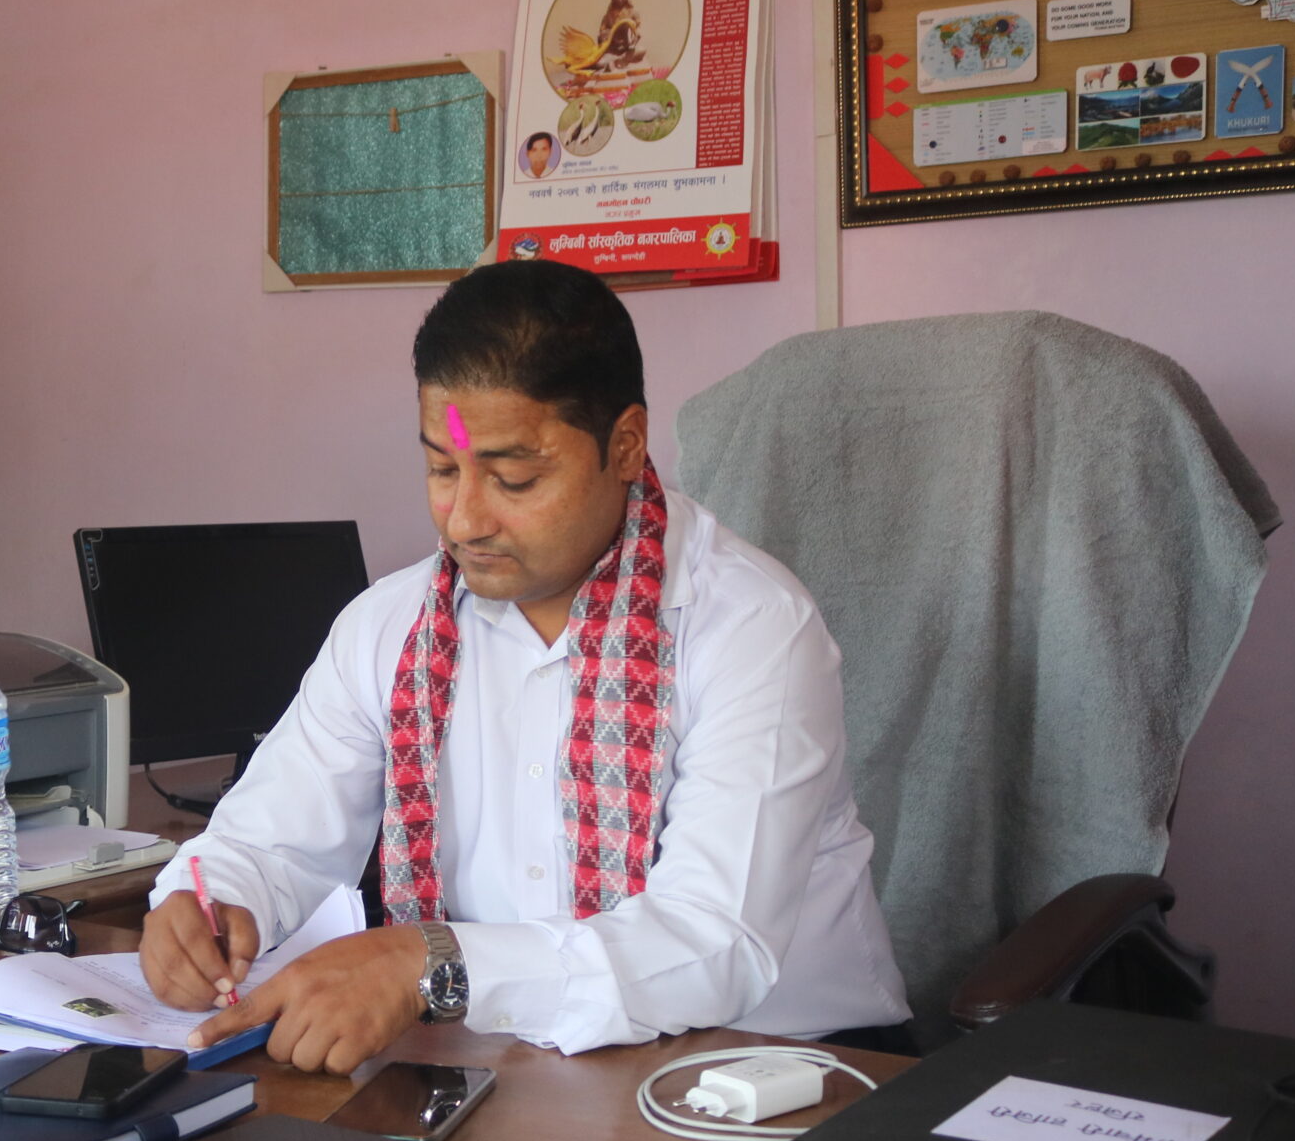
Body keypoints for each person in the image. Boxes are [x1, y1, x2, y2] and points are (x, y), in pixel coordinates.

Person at [139, 261, 909, 1074]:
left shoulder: (749, 628)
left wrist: (427, 962)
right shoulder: (389, 627)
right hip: (506, 1061)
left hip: (780, 1069)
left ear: (625, 445)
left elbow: (712, 943)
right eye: (443, 468)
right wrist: (206, 900)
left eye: (513, 477)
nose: (466, 517)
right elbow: (269, 839)